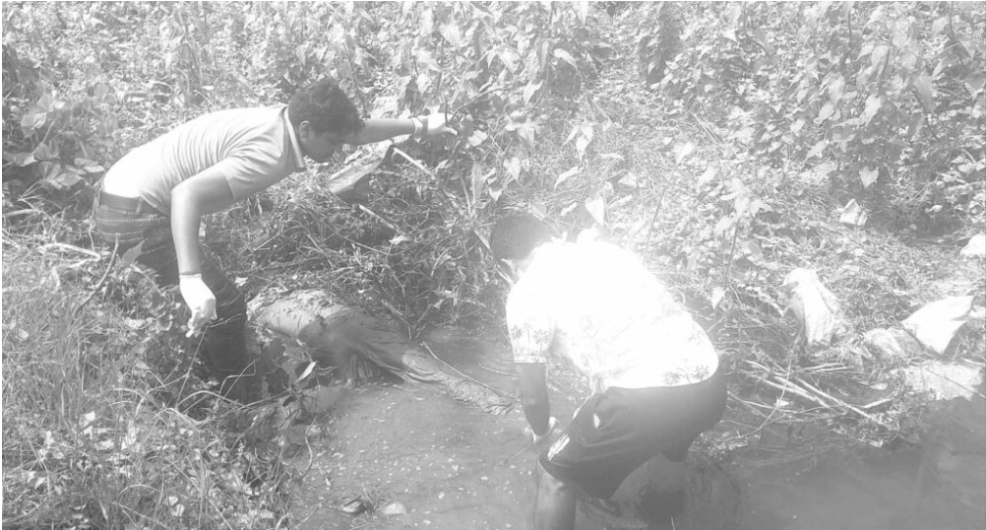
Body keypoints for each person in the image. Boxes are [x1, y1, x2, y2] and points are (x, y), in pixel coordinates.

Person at [93, 77, 454, 402]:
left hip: (118, 190)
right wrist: (190, 278)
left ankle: (207, 363)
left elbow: (355, 132)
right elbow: (186, 194)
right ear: (307, 130)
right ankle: (239, 404)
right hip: (134, 216)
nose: (340, 151)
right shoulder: (270, 153)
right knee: (228, 305)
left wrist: (420, 125)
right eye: (333, 143)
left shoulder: (288, 118)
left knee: (203, 300)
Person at [489, 213, 726, 530]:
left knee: (553, 474)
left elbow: (532, 396)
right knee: (671, 443)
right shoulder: (606, 252)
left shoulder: (526, 293)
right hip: (708, 381)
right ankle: (663, 517)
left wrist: (543, 433)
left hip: (645, 397)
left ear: (509, 264)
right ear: (547, 237)